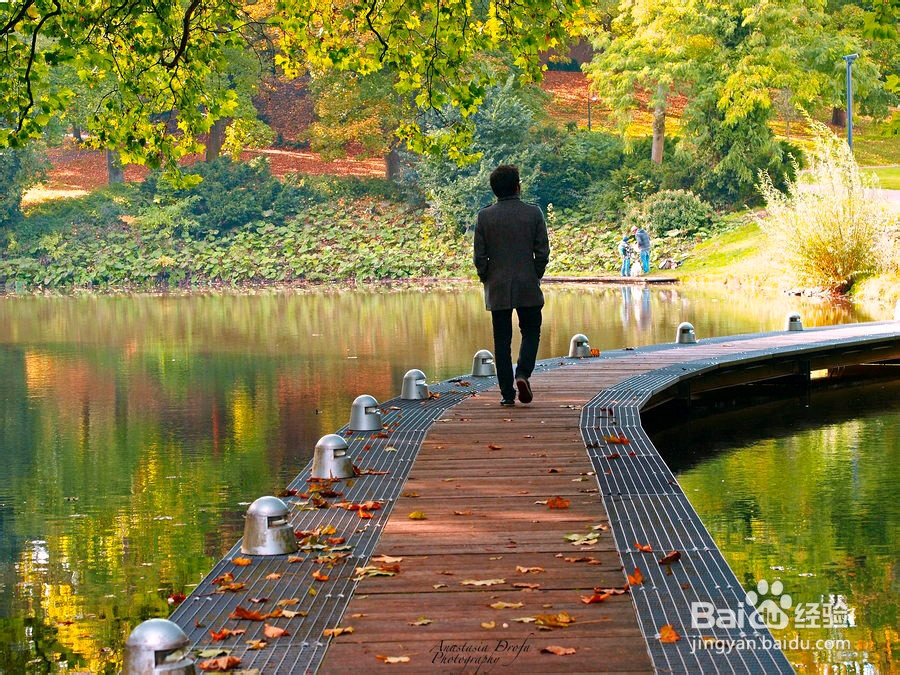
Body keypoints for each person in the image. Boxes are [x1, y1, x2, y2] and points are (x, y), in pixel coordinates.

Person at [473, 165, 549, 406]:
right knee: (531, 332)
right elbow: (542, 252)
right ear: (518, 186)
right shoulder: (533, 213)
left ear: (495, 190)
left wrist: (486, 277)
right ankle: (523, 374)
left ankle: (507, 394)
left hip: (497, 288)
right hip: (527, 283)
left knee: (501, 341)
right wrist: (535, 274)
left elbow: (479, 256)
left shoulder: (484, 216)